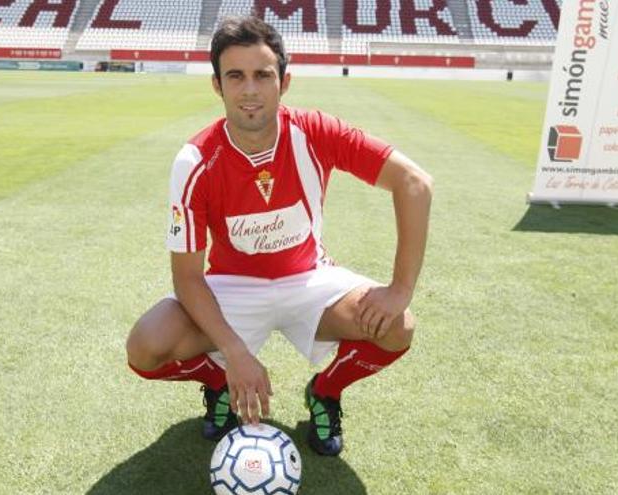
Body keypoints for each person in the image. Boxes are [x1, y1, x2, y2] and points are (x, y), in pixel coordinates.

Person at [125, 15, 432, 456]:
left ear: (283, 82)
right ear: (217, 85)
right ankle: (220, 386)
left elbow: (415, 183)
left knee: (397, 326)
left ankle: (325, 391)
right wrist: (234, 355)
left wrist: (400, 289)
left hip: (308, 279)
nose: (250, 89)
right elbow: (188, 277)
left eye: (262, 76)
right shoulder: (194, 161)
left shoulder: (316, 132)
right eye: (236, 76)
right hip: (232, 289)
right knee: (146, 346)